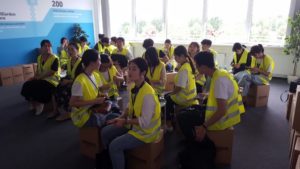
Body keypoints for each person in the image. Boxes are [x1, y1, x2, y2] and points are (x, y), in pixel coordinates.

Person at [100, 57, 161, 169]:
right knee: (105, 131)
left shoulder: (148, 94)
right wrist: (121, 117)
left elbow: (145, 122)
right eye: (129, 68)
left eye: (134, 69)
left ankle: (116, 158)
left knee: (114, 146)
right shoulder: (134, 86)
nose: (129, 72)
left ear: (142, 72)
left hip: (145, 132)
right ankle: (110, 160)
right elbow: (129, 107)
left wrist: (124, 121)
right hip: (133, 125)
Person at [177, 51, 243, 143]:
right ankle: (192, 137)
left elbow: (222, 111)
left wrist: (204, 126)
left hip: (223, 120)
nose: (195, 67)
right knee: (190, 109)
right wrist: (206, 95)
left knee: (182, 116)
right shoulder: (219, 73)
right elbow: (223, 95)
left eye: (197, 65)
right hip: (222, 114)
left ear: (203, 67)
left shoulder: (219, 80)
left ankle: (193, 143)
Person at [69, 49, 118, 128]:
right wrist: (94, 101)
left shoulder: (95, 75)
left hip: (94, 108)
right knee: (113, 118)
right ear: (92, 63)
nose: (100, 63)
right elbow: (72, 103)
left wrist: (102, 95)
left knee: (115, 110)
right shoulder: (79, 81)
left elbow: (96, 91)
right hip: (84, 116)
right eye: (99, 60)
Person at [21, 39, 60, 115]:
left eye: (49, 46)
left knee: (38, 85)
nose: (48, 48)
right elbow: (38, 70)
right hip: (42, 78)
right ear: (41, 48)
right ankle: (32, 102)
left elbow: (52, 71)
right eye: (45, 46)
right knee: (27, 84)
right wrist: (33, 77)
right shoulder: (39, 57)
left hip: (52, 80)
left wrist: (38, 78)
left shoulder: (54, 58)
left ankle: (40, 103)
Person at [165, 45, 198, 131]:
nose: (175, 58)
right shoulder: (188, 65)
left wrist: (172, 93)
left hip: (185, 98)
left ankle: (169, 123)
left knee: (167, 98)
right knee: (168, 95)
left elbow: (179, 87)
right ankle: (172, 118)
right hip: (191, 95)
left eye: (176, 56)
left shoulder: (184, 69)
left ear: (182, 56)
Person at [54, 42, 82, 121]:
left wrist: (69, 81)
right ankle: (58, 110)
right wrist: (63, 80)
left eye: (72, 49)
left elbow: (81, 78)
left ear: (77, 50)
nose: (70, 52)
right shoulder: (69, 61)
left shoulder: (81, 62)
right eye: (68, 50)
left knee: (65, 91)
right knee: (57, 87)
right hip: (71, 82)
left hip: (79, 84)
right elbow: (68, 74)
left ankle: (68, 113)